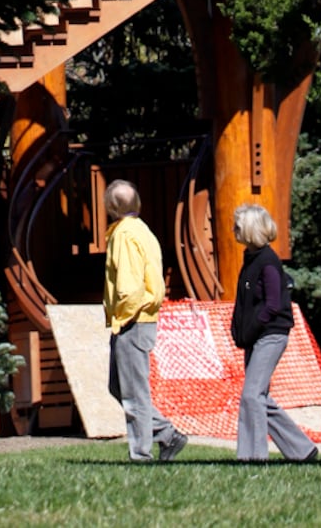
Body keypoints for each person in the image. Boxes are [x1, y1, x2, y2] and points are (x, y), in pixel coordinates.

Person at [102, 179, 187, 463]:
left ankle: (141, 454)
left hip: (133, 319)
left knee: (133, 394)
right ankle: (167, 434)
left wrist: (124, 317)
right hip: (140, 317)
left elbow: (128, 285)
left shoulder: (123, 235)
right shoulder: (143, 231)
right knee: (118, 386)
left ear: (111, 207)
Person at [228, 202, 318, 463]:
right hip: (254, 339)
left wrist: (255, 325)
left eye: (238, 226)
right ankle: (302, 450)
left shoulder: (268, 262)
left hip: (271, 336)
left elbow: (274, 304)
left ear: (251, 229)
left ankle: (253, 457)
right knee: (261, 398)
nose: (234, 230)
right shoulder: (250, 259)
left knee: (251, 394)